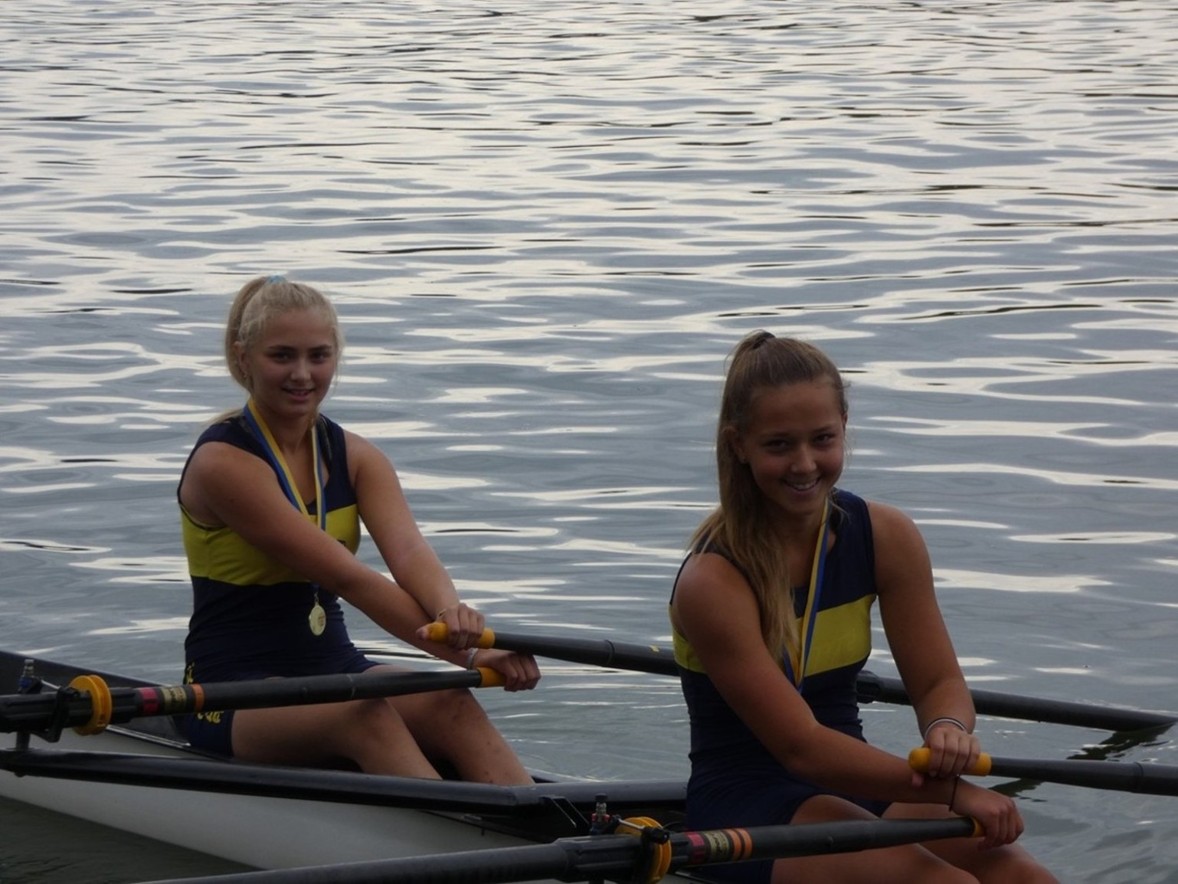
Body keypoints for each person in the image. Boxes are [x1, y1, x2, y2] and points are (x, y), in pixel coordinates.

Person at [668, 331, 1057, 883]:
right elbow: (801, 748)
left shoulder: (886, 536)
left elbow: (939, 682)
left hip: (854, 780)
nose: (805, 464)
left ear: (845, 427)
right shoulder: (713, 581)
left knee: (1024, 877)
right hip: (749, 803)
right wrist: (953, 791)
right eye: (779, 445)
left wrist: (947, 728)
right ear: (738, 445)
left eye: (822, 439)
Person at [178, 274, 540, 784]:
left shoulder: (357, 457)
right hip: (228, 690)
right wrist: (473, 653)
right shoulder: (224, 463)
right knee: (366, 715)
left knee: (448, 700)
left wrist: (454, 618)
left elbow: (410, 553)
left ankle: (543, 825)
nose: (302, 374)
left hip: (332, 661)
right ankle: (447, 830)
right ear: (243, 358)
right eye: (281, 356)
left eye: (318, 356)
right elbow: (350, 579)